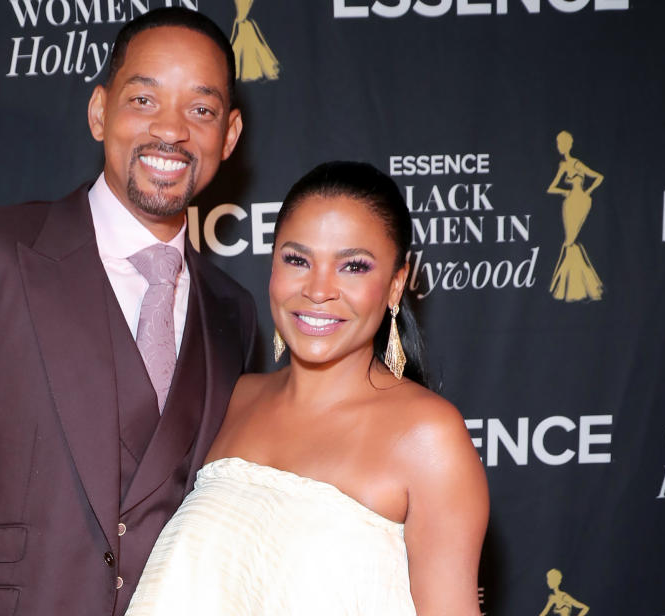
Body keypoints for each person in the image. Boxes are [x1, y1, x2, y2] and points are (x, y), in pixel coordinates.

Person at [0, 8, 257, 616]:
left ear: (228, 136)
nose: (172, 131)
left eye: (200, 110)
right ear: (100, 112)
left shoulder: (235, 312)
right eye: (145, 99)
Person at [126, 162, 489, 615]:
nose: (319, 290)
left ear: (396, 285)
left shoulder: (428, 436)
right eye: (297, 260)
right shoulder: (233, 400)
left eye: (353, 266)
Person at [546, 130, 604, 302]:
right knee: (569, 241)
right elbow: (551, 188)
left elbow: (599, 177)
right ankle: (573, 285)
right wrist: (566, 192)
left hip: (581, 202)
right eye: (558, 143)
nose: (560, 147)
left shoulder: (577, 164)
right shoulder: (563, 166)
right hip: (569, 202)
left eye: (562, 143)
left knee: (570, 241)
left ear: (569, 144)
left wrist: (588, 192)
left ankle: (574, 284)